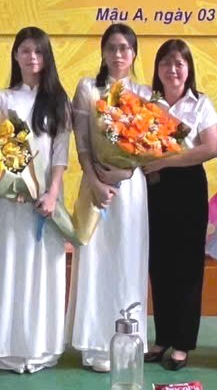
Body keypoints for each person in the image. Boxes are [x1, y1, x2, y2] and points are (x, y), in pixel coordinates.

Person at [0, 27, 72, 374]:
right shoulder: (3, 99)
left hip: (47, 200)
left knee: (45, 269)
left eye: (38, 51)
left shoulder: (58, 100)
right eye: (25, 51)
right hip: (13, 201)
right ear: (15, 55)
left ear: (46, 57)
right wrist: (3, 189)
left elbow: (61, 153)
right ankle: (9, 349)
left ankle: (42, 348)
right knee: (13, 267)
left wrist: (52, 193)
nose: (32, 57)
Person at [66, 23, 153, 372]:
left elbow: (150, 145)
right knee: (96, 259)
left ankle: (128, 343)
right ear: (102, 52)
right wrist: (95, 180)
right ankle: (94, 343)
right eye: (112, 47)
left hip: (131, 190)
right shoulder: (88, 88)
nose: (118, 54)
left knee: (128, 260)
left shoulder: (144, 93)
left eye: (125, 48)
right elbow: (83, 142)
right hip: (96, 185)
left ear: (134, 54)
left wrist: (125, 173)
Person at [142, 39, 217, 371]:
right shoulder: (147, 102)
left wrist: (165, 162)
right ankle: (162, 337)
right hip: (154, 187)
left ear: (188, 69)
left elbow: (211, 147)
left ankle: (183, 343)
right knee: (159, 264)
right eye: (166, 63)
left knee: (187, 266)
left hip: (188, 186)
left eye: (179, 63)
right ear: (157, 68)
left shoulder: (200, 103)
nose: (172, 70)